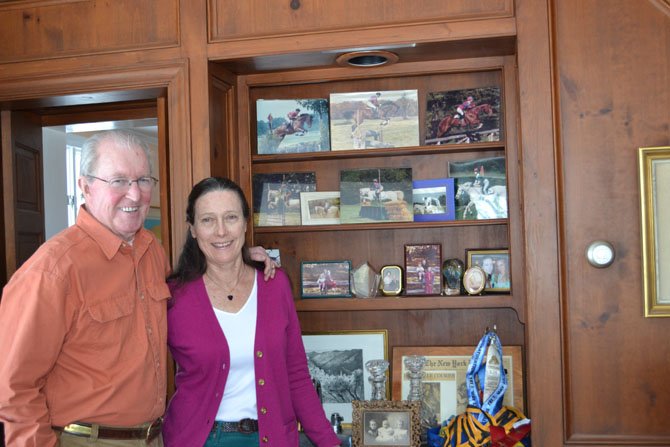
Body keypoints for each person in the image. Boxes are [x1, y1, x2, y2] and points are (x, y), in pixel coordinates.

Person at [0, 130, 275, 447]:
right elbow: (12, 387)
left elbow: (194, 299)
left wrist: (236, 260)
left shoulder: (151, 251)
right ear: (86, 186)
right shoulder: (53, 270)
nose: (134, 194)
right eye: (118, 181)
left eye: (143, 180)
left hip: (155, 437)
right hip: (86, 440)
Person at [162, 177, 341, 447]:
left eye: (231, 217)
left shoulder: (274, 284)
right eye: (208, 220)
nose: (221, 231)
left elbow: (297, 376)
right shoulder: (173, 297)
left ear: (246, 223)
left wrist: (330, 443)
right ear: (193, 229)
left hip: (272, 438)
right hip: (198, 440)